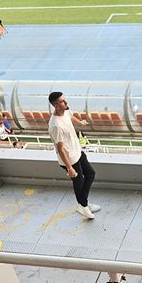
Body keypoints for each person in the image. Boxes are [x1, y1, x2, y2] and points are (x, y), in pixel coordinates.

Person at [48, 90, 98, 220]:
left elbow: (70, 116)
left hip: (77, 151)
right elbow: (60, 149)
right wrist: (69, 168)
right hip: (69, 158)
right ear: (56, 106)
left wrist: (80, 122)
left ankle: (83, 204)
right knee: (79, 181)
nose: (65, 102)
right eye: (62, 101)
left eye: (64, 99)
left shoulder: (65, 112)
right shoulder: (56, 126)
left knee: (90, 174)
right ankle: (83, 206)